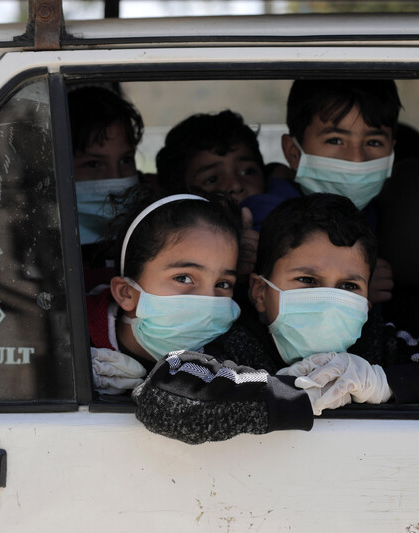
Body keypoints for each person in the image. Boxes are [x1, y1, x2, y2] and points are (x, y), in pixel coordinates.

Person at [133, 193, 419, 444]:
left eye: (349, 286)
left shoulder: (384, 343)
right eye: (307, 281)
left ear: (368, 300)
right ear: (260, 293)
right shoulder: (228, 347)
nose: (329, 299)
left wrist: (383, 382)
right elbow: (169, 392)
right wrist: (292, 394)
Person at [87, 191, 247, 395]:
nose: (208, 299)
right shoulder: (66, 340)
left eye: (223, 284)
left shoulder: (237, 353)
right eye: (183, 278)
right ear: (126, 293)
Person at [281, 79, 401, 305]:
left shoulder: (390, 222)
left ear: (391, 153)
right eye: (335, 140)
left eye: (373, 142)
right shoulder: (266, 218)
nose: (356, 159)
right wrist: (351, 290)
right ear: (293, 153)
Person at [155, 110, 301, 277]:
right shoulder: (171, 245)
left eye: (248, 172)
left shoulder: (284, 211)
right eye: (212, 179)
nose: (236, 185)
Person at [68, 85, 147, 289]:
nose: (116, 179)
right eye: (93, 164)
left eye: (126, 160)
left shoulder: (158, 216)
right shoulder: (35, 238)